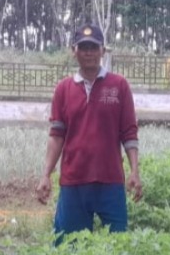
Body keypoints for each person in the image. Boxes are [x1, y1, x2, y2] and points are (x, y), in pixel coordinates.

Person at [36, 23, 142, 241]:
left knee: (118, 248)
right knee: (68, 248)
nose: (89, 53)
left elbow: (129, 133)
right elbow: (56, 136)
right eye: (83, 47)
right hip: (74, 181)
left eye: (94, 48)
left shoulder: (119, 86)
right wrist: (46, 174)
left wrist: (134, 171)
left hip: (110, 181)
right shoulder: (63, 89)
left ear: (102, 50)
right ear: (74, 51)